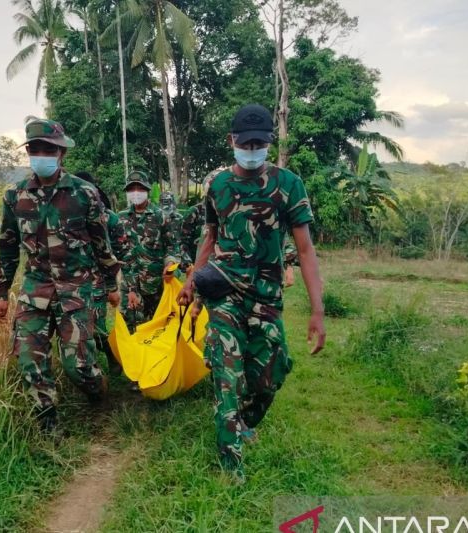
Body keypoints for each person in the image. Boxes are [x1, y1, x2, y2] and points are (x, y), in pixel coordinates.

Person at [177, 104, 326, 481]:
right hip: (224, 291)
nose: (253, 148)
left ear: (269, 144)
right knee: (228, 375)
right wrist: (192, 281)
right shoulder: (218, 185)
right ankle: (231, 465)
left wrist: (317, 311)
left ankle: (242, 422)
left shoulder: (289, 185)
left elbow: (305, 250)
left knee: (271, 375)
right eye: (247, 142)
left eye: (261, 143)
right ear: (232, 141)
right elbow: (209, 237)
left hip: (267, 297)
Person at [0, 117, 121, 436]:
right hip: (35, 290)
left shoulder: (84, 194)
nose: (42, 155)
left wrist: (111, 286)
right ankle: (49, 426)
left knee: (78, 367)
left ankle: (97, 391)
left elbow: (101, 244)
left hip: (79, 290)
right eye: (36, 149)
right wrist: (0, 293)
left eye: (48, 149)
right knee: (28, 360)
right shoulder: (16, 197)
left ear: (61, 154)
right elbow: (7, 248)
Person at [74, 171, 133, 375]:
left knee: (96, 328)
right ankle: (87, 368)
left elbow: (119, 252)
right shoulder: (65, 215)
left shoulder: (110, 219)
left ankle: (109, 359)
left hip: (97, 282)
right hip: (68, 282)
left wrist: (113, 287)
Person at [118, 170, 179, 328]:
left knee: (157, 326)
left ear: (147, 191)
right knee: (130, 325)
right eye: (132, 189)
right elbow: (118, 250)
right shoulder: (121, 218)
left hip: (155, 283)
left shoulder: (161, 216)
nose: (136, 193)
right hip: (129, 283)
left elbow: (173, 246)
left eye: (140, 188)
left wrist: (170, 262)